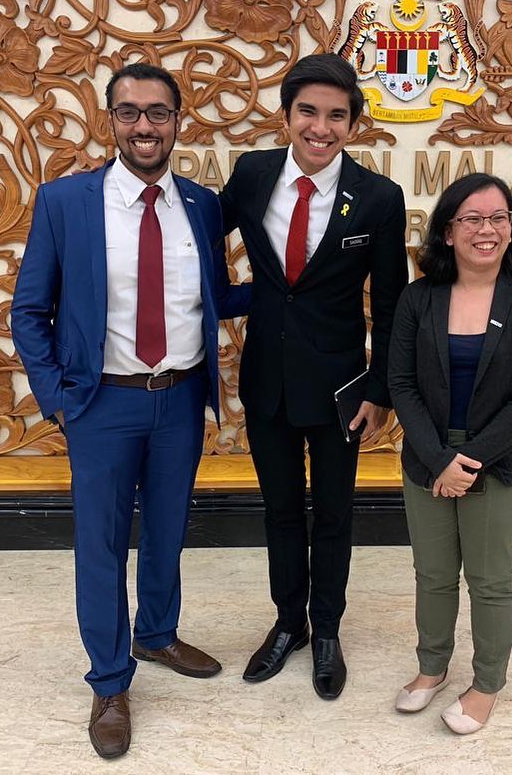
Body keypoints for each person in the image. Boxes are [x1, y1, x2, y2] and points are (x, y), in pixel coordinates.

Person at [11, 63, 250, 758]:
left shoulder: (202, 205)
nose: (143, 125)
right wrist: (58, 398)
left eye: (157, 112)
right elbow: (30, 310)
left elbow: (216, 294)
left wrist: (292, 288)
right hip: (101, 404)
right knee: (102, 544)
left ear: (179, 121)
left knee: (169, 529)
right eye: (128, 112)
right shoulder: (65, 203)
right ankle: (111, 680)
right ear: (109, 119)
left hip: (179, 397)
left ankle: (158, 632)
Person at [219, 53, 408, 700]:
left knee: (332, 514)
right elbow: (194, 231)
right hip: (265, 380)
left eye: (335, 115)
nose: (319, 127)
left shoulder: (379, 198)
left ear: (352, 124)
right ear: (286, 115)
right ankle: (286, 624)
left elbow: (389, 304)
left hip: (339, 391)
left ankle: (325, 628)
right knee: (278, 512)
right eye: (308, 112)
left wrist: (379, 390)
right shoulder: (250, 174)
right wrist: (225, 293)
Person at [387, 173, 512, 734]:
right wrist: (439, 461)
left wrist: (469, 462)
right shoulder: (418, 298)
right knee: (432, 575)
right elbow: (402, 384)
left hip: (498, 464)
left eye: (498, 218)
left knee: (489, 580)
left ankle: (486, 684)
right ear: (448, 231)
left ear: (511, 228)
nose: (486, 230)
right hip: (427, 462)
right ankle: (431, 668)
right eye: (472, 219)